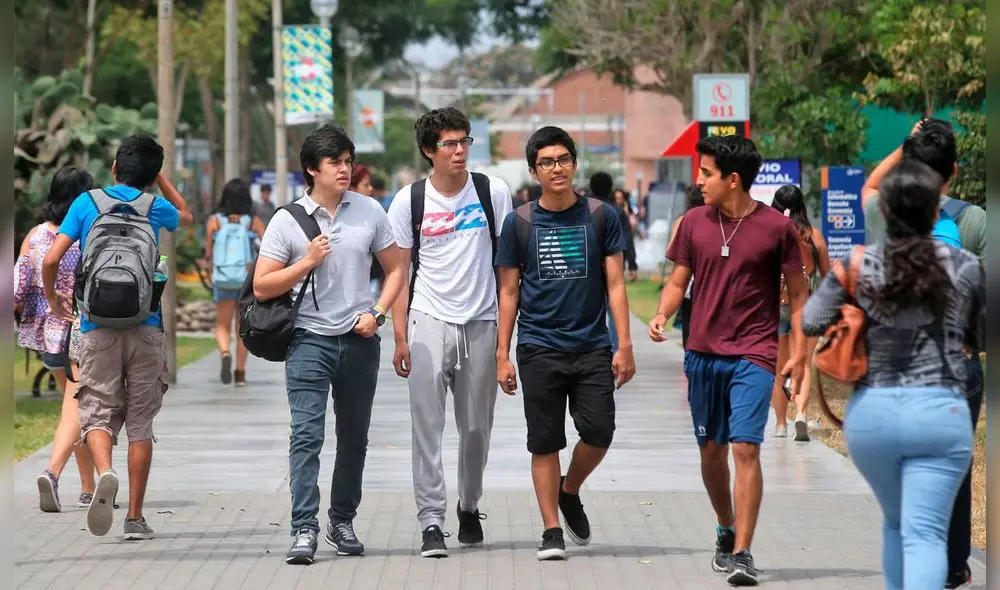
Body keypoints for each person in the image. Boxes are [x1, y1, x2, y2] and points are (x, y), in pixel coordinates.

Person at [804, 159, 983, 590]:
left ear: (883, 211)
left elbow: (811, 319)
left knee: (895, 523)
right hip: (941, 412)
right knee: (925, 534)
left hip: (874, 417)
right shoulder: (966, 266)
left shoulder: (858, 265)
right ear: (935, 212)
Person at [647, 135, 807, 585]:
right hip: (701, 354)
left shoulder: (778, 228)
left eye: (706, 173)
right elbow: (679, 281)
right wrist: (662, 313)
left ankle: (743, 553)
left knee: (745, 447)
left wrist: (798, 354)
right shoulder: (694, 223)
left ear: (732, 179)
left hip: (754, 353)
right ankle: (726, 525)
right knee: (712, 452)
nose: (699, 181)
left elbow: (798, 295)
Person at [253, 124, 405, 565]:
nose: (344, 169)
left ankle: (342, 520)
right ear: (311, 169)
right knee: (306, 436)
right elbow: (263, 286)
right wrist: (307, 261)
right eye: (334, 162)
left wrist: (377, 313)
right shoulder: (286, 220)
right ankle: (304, 528)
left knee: (354, 437)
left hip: (359, 341)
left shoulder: (370, 211)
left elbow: (397, 269)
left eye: (347, 161)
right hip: (307, 342)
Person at [42, 133, 194, 541]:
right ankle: (135, 517)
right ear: (151, 174)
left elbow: (53, 257)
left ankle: (104, 473)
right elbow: (188, 216)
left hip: (96, 326)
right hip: (145, 325)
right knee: (140, 424)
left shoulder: (87, 202)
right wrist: (159, 182)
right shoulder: (155, 207)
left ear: (114, 167)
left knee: (96, 411)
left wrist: (56, 300)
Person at [495, 126, 636, 561]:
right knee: (544, 441)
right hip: (538, 346)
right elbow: (509, 292)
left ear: (574, 163)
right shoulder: (518, 222)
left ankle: (569, 489)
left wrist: (624, 343)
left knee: (599, 431)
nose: (556, 168)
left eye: (563, 159)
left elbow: (614, 282)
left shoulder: (600, 216)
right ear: (534, 170)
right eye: (547, 162)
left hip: (592, 344)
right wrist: (502, 353)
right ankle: (551, 530)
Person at [862, 118, 986, 589]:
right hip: (958, 363)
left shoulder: (883, 213)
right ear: (954, 169)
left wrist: (905, 145)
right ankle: (953, 564)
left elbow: (872, 182)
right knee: (948, 468)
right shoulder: (973, 221)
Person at [387, 107, 513, 558]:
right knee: (427, 427)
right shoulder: (409, 201)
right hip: (427, 320)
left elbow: (507, 269)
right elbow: (399, 273)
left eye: (465, 142)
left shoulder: (491, 191)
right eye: (449, 144)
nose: (460, 151)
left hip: (480, 320)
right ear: (429, 150)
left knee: (476, 427)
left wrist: (503, 345)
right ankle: (431, 522)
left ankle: (469, 504)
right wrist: (399, 336)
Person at [16, 166, 97, 513]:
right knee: (77, 407)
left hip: (47, 340)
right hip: (79, 334)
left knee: (72, 406)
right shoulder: (83, 235)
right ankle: (52, 474)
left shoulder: (34, 236)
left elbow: (16, 288)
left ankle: (88, 487)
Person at [769, 184, 831, 442]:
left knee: (779, 368)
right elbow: (827, 276)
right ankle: (802, 414)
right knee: (803, 363)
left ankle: (781, 424)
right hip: (808, 307)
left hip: (778, 305)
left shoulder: (772, 234)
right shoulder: (814, 236)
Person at [205, 179, 266, 386]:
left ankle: (224, 353)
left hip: (222, 279)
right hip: (244, 282)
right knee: (242, 328)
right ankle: (240, 373)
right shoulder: (252, 222)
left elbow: (208, 254)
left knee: (222, 325)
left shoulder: (214, 221)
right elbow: (269, 249)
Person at [589, 173, 638, 354]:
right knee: (614, 310)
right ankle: (616, 350)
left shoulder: (584, 210)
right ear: (610, 189)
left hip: (589, 269)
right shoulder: (616, 211)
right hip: (613, 268)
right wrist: (632, 264)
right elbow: (627, 239)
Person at [667, 185, 705, 349]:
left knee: (688, 324)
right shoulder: (715, 220)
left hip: (688, 281)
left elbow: (672, 250)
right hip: (707, 280)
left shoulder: (682, 220)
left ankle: (690, 356)